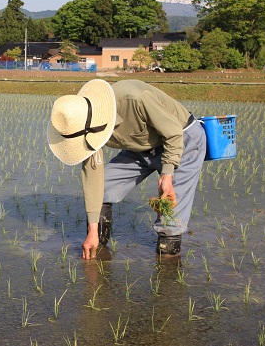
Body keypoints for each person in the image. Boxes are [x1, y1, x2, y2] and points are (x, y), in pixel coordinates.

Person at [48, 79, 206, 259]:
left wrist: (167, 173)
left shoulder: (135, 99)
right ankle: (98, 249)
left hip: (182, 140)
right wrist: (92, 231)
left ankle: (167, 273)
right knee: (103, 189)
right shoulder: (83, 124)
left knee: (170, 215)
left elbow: (173, 133)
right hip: (140, 146)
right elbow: (92, 178)